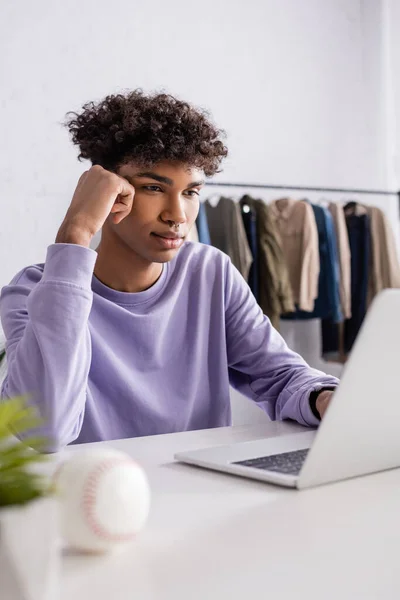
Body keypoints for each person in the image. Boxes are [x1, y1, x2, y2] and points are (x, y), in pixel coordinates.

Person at [0, 90, 338, 452]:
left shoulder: (210, 273)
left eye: (191, 192)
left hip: (199, 494)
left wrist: (324, 397)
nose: (177, 215)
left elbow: (281, 376)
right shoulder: (36, 290)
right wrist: (75, 234)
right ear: (104, 189)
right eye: (153, 188)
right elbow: (45, 430)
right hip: (97, 500)